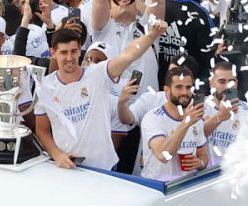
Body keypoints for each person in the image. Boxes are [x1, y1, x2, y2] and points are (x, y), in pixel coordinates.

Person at [35, 24, 163, 171]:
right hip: (68, 167)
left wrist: (151, 36)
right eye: (63, 52)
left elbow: (128, 55)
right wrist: (57, 155)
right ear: (53, 53)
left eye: (74, 51)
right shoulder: (45, 87)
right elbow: (42, 130)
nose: (69, 58)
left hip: (103, 167)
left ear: (80, 51)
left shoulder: (97, 74)